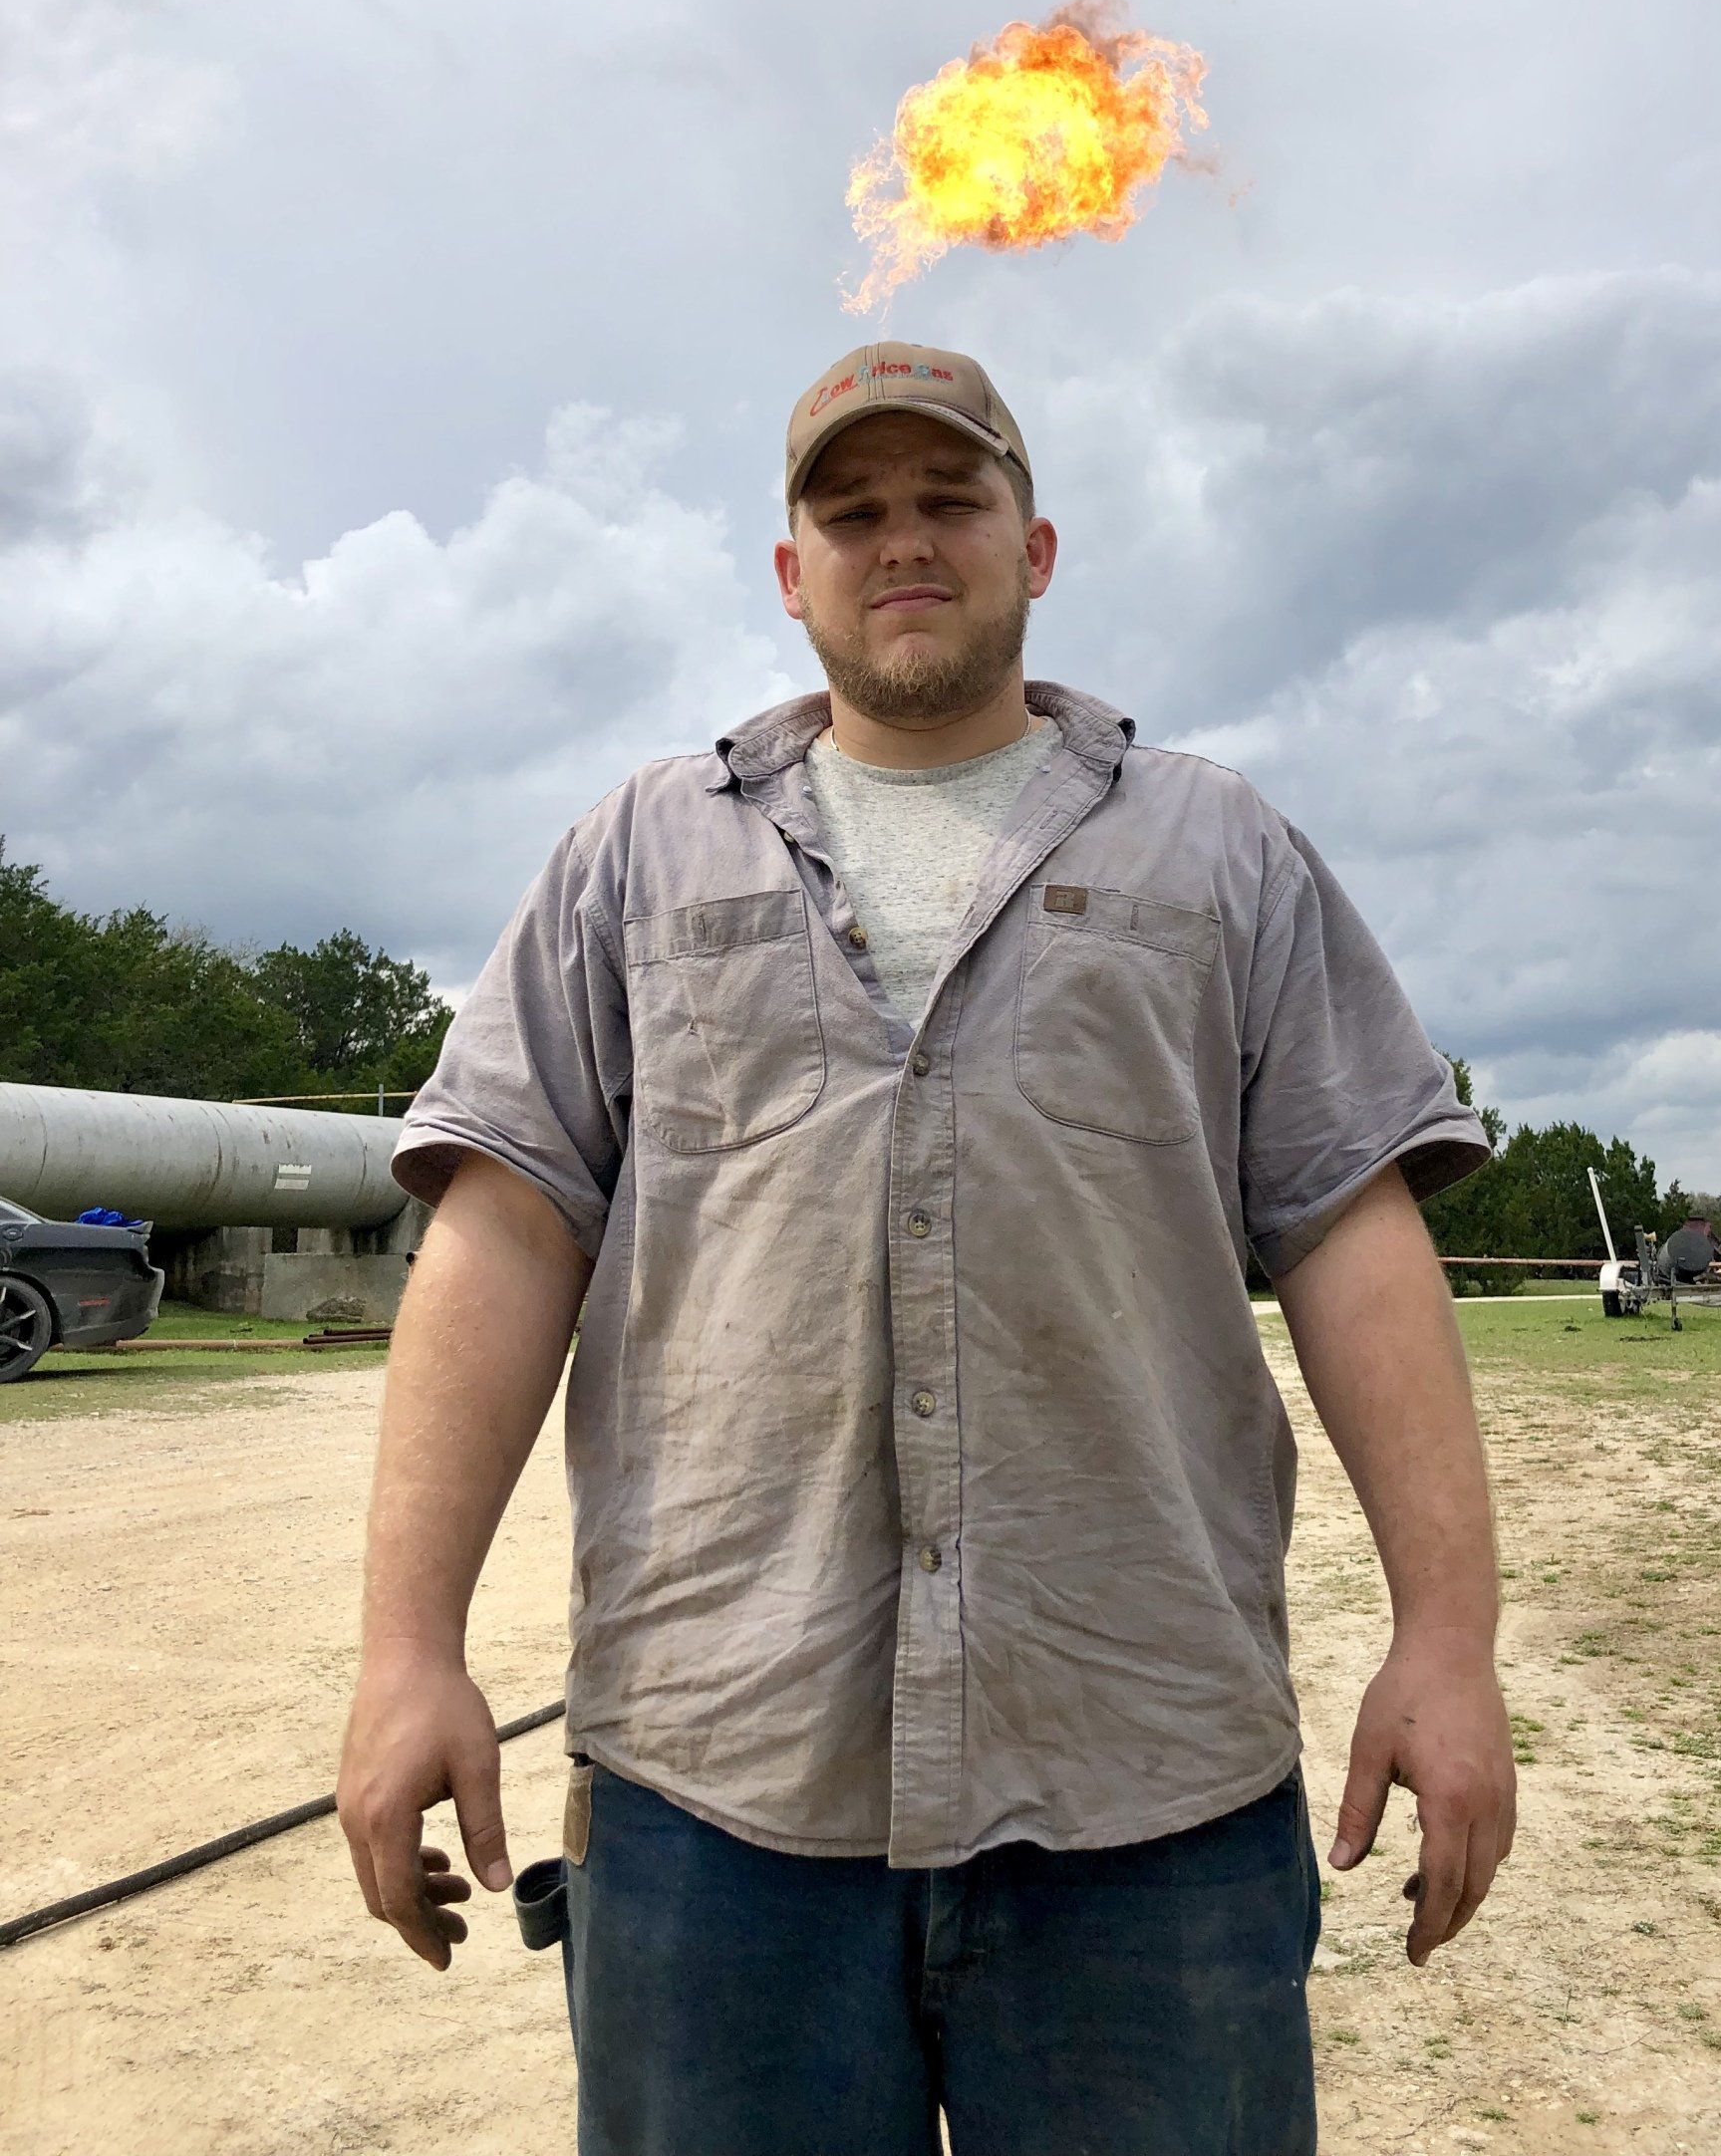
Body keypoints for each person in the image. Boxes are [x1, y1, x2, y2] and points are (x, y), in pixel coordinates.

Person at [337, 340, 1518, 2156]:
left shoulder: (1219, 852)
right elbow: (499, 1242)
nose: (903, 541)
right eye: (854, 512)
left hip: (1146, 1782)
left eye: (951, 501)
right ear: (790, 570)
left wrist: (1449, 1639)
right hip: (714, 1787)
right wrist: (405, 1646)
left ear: (1034, 550)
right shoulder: (636, 859)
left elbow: (1356, 1241)